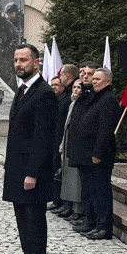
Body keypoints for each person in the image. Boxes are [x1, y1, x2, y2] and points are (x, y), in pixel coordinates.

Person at [1, 43, 57, 254]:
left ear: (36, 63)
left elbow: (43, 139)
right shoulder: (23, 91)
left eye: (23, 60)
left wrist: (32, 173)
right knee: (24, 224)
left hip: (32, 175)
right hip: (19, 170)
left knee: (34, 225)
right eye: (15, 60)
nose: (18, 65)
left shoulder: (43, 93)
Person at [68, 67, 119, 240]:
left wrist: (98, 153)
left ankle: (103, 227)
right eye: (94, 79)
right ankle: (93, 222)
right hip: (87, 153)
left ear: (107, 81)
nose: (94, 81)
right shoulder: (95, 96)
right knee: (90, 190)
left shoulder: (109, 99)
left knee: (101, 191)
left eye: (98, 79)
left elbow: (105, 130)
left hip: (99, 155)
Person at [65, 61, 100, 230]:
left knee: (92, 189)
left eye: (89, 74)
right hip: (80, 150)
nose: (84, 76)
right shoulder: (82, 95)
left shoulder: (97, 97)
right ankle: (87, 217)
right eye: (82, 73)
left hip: (90, 151)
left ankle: (93, 221)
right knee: (85, 188)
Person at [49, 64, 78, 215]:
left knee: (67, 175)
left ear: (66, 76)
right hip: (58, 139)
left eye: (60, 77)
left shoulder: (68, 96)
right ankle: (60, 201)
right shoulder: (64, 95)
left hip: (65, 140)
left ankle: (68, 205)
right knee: (59, 173)